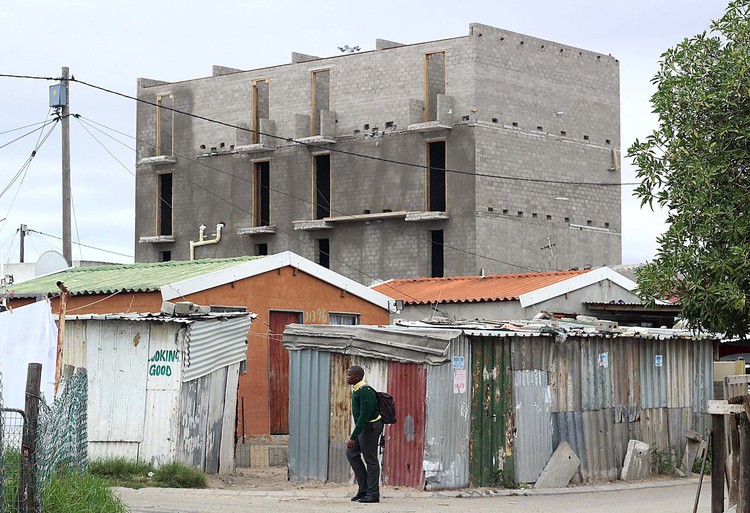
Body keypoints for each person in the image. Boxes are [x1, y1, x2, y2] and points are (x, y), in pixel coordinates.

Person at [346, 365, 383, 503]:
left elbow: (364, 416)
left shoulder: (365, 391)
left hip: (371, 428)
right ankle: (364, 490)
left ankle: (373, 494)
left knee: (371, 460)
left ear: (357, 377)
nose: (347, 377)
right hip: (364, 428)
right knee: (351, 454)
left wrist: (353, 437)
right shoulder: (357, 390)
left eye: (350, 375)